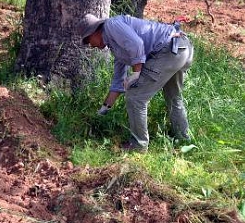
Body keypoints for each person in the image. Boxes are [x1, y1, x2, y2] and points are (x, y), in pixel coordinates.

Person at [79, 13, 194, 153]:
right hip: (180, 48)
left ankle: (139, 145)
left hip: (169, 48)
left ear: (94, 32)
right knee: (173, 96)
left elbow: (137, 45)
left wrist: (136, 73)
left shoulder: (111, 26)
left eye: (88, 41)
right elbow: (118, 82)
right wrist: (103, 110)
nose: (90, 45)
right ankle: (183, 138)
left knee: (135, 97)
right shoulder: (116, 46)